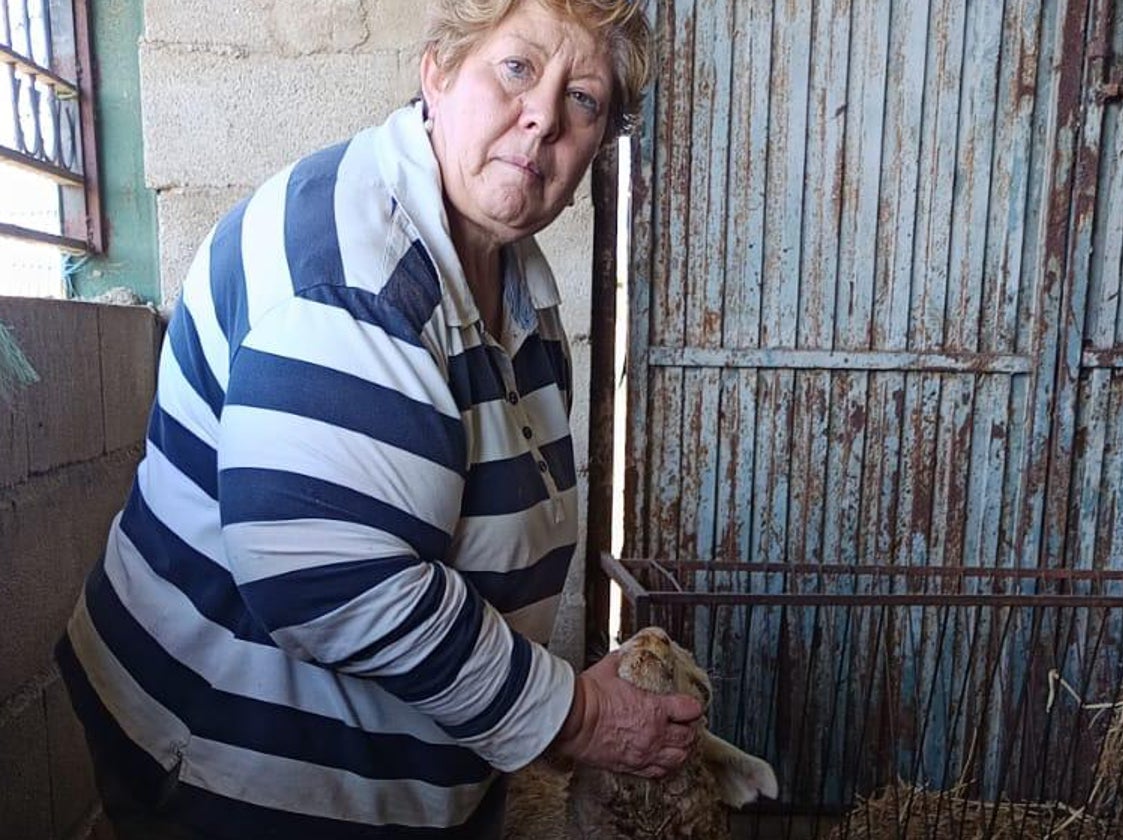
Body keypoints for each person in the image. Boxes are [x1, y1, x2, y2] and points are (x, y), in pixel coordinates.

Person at [54, 0, 704, 836]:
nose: (542, 115)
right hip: (236, 768)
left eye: (583, 99)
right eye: (517, 68)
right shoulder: (356, 279)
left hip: (395, 769)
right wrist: (577, 716)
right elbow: (334, 583)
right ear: (437, 71)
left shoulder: (514, 278)